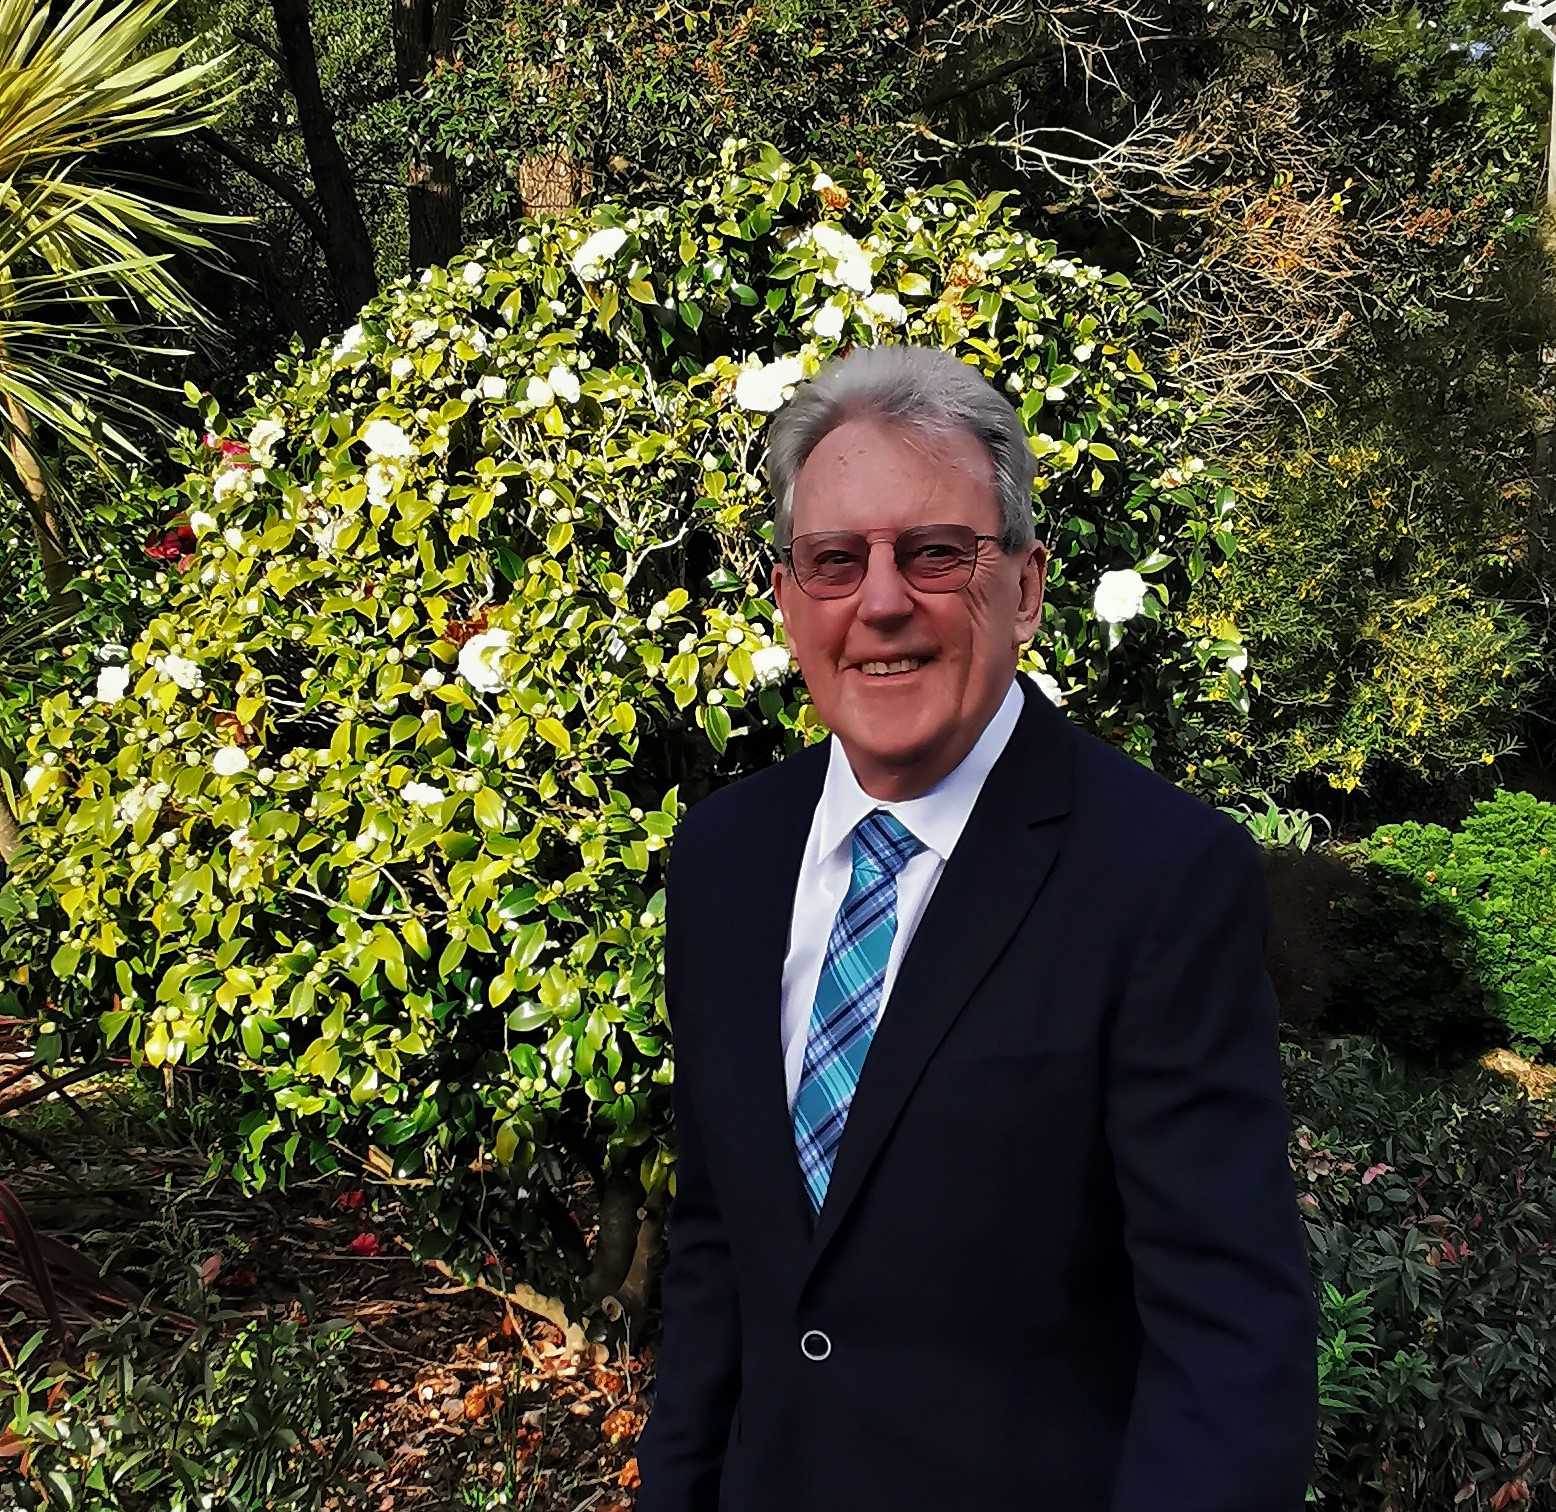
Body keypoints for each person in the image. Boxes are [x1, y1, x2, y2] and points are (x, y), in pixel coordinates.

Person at [634, 343, 1316, 1512]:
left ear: (1026, 588)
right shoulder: (722, 861)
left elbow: (1226, 1342)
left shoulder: (1159, 877)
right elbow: (717, 1250)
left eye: (935, 553)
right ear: (789, 599)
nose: (880, 601)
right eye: (835, 560)